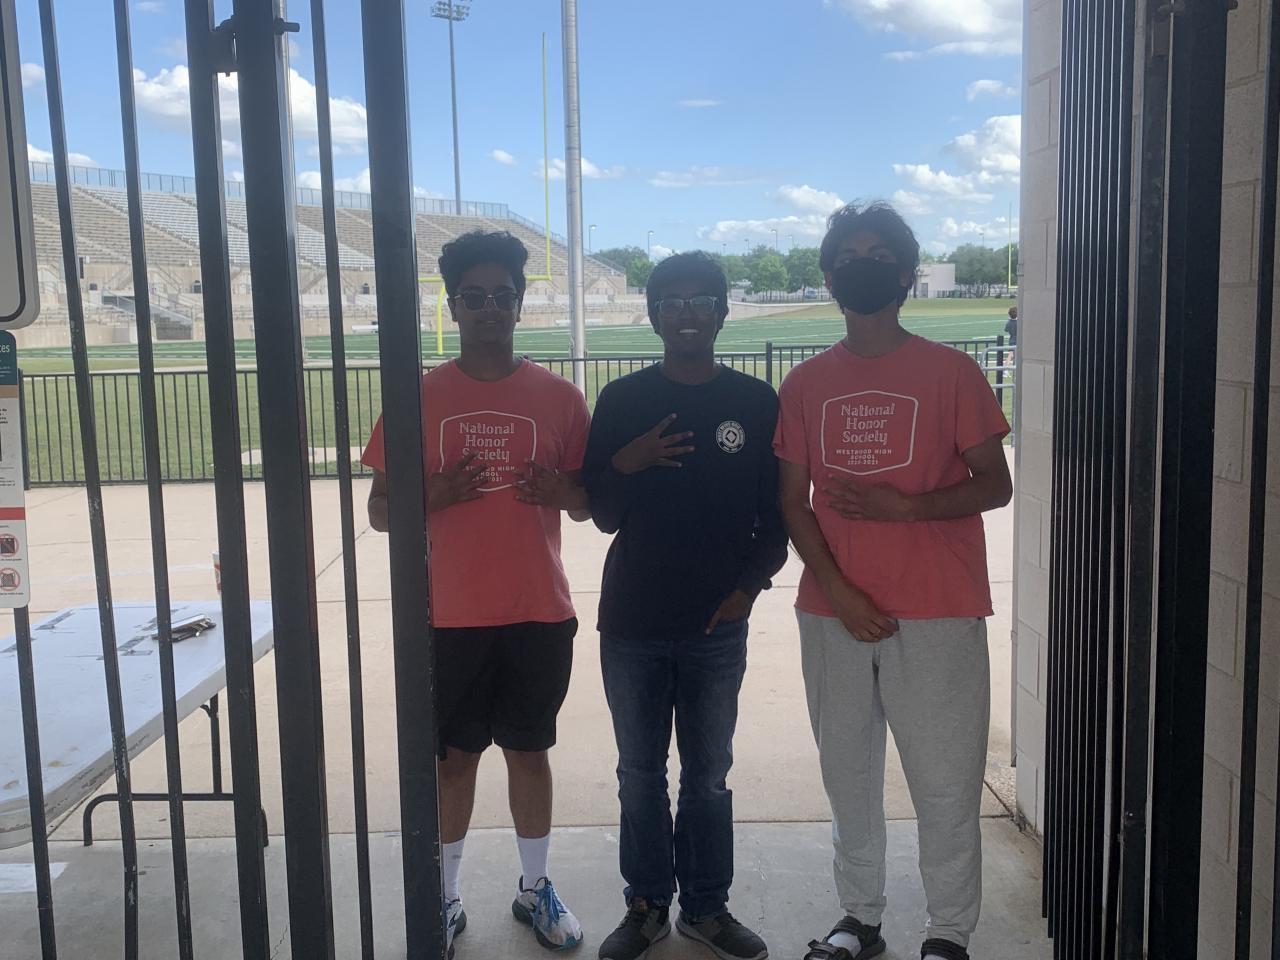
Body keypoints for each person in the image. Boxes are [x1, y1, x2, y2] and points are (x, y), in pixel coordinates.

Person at [774, 203, 1012, 960]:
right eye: (849, 256)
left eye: (879, 256)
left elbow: (995, 483)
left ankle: (948, 932)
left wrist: (906, 507)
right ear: (829, 276)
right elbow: (792, 501)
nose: (863, 266)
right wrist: (839, 591)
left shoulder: (952, 373)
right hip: (833, 610)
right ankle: (859, 919)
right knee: (848, 778)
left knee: (945, 784)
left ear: (906, 275)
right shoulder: (806, 382)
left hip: (938, 608)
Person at [363, 231, 590, 957]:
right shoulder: (418, 398)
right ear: (453, 306)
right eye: (474, 296)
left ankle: (535, 887)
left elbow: (589, 502)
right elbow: (379, 510)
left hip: (536, 610)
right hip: (449, 616)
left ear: (519, 305)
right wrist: (432, 495)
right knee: (454, 761)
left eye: (502, 296)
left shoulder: (560, 398)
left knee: (529, 753)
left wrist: (562, 491)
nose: (489, 308)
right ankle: (446, 893)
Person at [583, 252, 788, 960]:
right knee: (639, 773)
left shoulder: (756, 403)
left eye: (702, 300)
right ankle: (646, 907)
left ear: (723, 312)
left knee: (708, 776)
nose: (688, 313)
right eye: (672, 302)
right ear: (654, 316)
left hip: (716, 626)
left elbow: (776, 517)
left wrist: (747, 590)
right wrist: (627, 462)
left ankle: (706, 907)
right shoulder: (622, 400)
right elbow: (602, 514)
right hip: (633, 622)